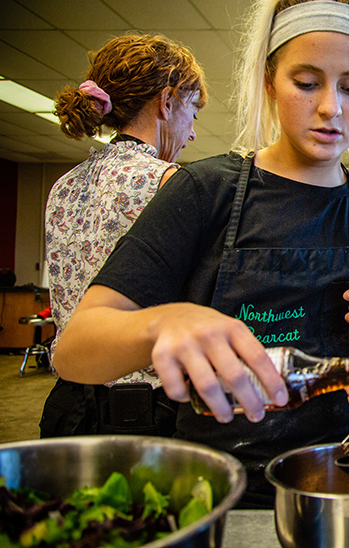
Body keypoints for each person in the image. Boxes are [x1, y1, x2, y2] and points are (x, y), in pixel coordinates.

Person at [51, 0, 349, 507]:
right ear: (269, 79)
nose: (331, 108)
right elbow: (74, 350)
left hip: (343, 480)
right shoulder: (204, 190)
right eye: (307, 82)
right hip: (222, 488)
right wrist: (164, 323)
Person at [39, 33, 207, 438]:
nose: (192, 134)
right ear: (167, 103)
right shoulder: (171, 183)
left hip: (70, 404)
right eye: (193, 114)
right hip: (145, 410)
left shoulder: (63, 185)